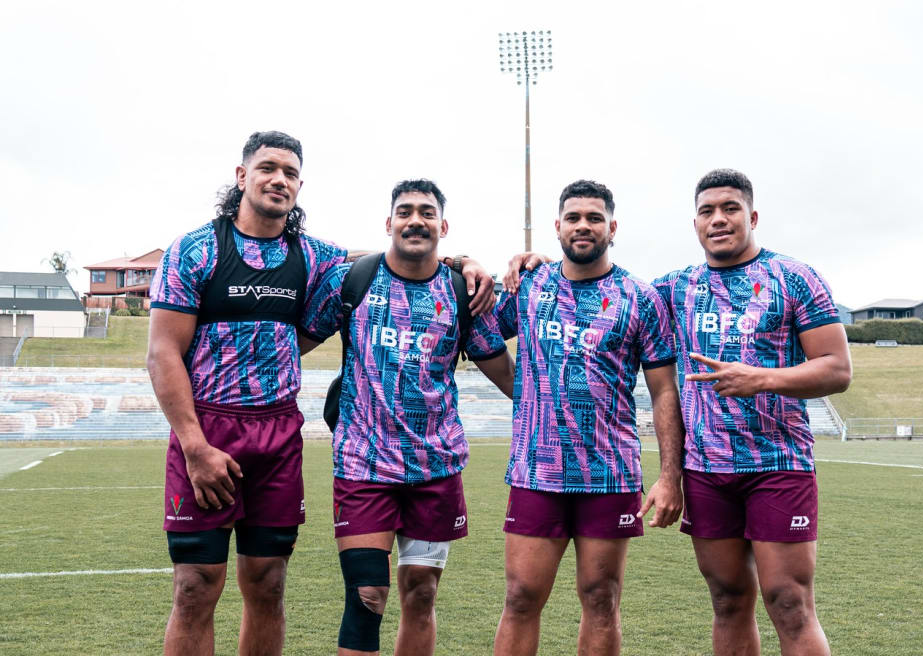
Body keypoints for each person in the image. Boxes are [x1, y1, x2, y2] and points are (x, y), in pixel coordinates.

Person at [148, 131, 494, 656]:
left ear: (299, 186)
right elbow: (162, 354)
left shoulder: (317, 259)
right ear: (242, 177)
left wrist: (460, 259)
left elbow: (394, 259)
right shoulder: (194, 251)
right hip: (208, 428)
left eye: (289, 173)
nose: (278, 180)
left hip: (278, 431)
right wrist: (195, 446)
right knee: (194, 586)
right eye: (267, 168)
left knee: (268, 583)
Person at [298, 179, 514, 656]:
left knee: (420, 594)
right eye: (405, 211)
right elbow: (293, 345)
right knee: (366, 596)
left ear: (443, 225)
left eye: (426, 212)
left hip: (435, 468)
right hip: (363, 464)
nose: (415, 220)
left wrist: (555, 414)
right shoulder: (351, 280)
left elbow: (505, 373)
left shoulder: (461, 291)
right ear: (389, 222)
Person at [653, 169, 852, 656]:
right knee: (726, 600)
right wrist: (531, 263)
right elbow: (601, 286)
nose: (718, 219)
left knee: (789, 602)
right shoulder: (674, 288)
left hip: (777, 466)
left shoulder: (794, 278)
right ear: (695, 223)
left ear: (752, 216)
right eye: (707, 211)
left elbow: (837, 369)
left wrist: (760, 378)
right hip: (707, 472)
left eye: (730, 209)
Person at [491, 180, 685, 656]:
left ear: (612, 228)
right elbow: (479, 336)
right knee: (520, 597)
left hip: (609, 473)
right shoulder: (530, 286)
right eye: (573, 218)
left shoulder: (641, 297)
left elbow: (664, 390)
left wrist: (669, 475)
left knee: (601, 599)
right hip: (537, 471)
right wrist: (465, 263)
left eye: (594, 218)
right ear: (557, 227)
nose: (583, 226)